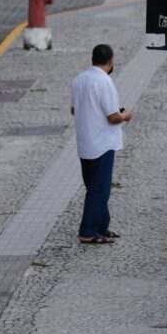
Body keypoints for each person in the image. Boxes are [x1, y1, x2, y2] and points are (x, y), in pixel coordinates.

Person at [71, 44, 132, 244]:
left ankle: (102, 227)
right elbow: (113, 117)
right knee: (100, 189)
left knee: (94, 187)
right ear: (110, 61)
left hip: (85, 142)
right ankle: (88, 231)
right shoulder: (104, 82)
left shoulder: (79, 80)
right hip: (102, 143)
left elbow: (74, 110)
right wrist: (125, 115)